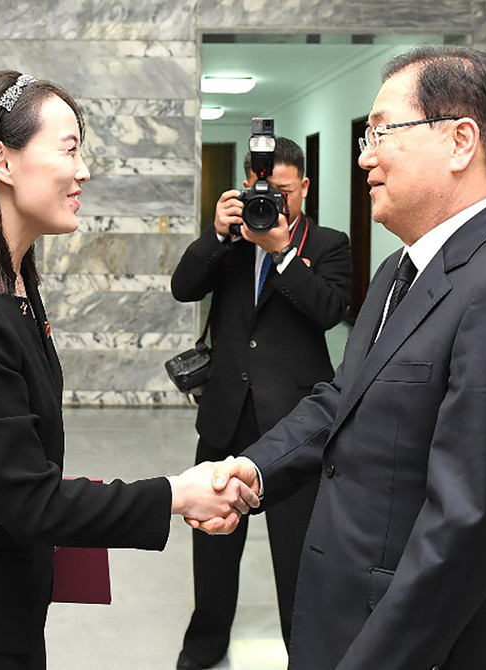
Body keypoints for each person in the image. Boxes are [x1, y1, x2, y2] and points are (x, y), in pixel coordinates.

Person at [203, 46, 486, 669]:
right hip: (342, 612)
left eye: (382, 131)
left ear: (461, 141)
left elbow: (467, 529)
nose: (364, 155)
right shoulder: (398, 269)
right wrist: (254, 468)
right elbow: (342, 400)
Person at [0, 70, 259, 669]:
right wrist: (179, 494)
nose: (83, 172)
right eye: (70, 148)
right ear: (2, 161)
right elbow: (30, 501)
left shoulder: (12, 283)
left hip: (2, 609)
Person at [171, 138, 351, 669]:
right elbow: (183, 287)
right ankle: (204, 648)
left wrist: (281, 253)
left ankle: (306, 654)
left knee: (298, 552)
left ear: (305, 188)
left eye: (285, 192)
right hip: (227, 413)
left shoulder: (331, 242)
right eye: (263, 190)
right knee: (214, 547)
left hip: (297, 421)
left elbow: (329, 309)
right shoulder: (231, 241)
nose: (273, 201)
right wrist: (217, 233)